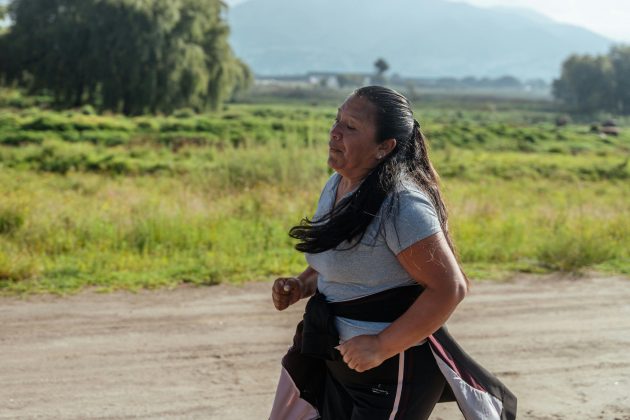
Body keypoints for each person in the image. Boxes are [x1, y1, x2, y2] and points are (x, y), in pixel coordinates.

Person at [269, 86, 516, 420]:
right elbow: (340, 261)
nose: (335, 132)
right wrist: (301, 285)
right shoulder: (337, 185)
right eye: (336, 120)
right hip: (335, 361)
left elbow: (450, 288)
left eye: (351, 127)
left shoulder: (401, 204)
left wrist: (382, 345)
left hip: (394, 372)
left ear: (384, 147)